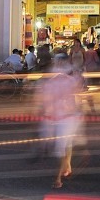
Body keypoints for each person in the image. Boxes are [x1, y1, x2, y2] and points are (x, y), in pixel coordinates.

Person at [36, 53, 83, 189]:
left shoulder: (68, 80)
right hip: (61, 117)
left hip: (67, 118)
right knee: (65, 145)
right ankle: (67, 165)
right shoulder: (55, 81)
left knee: (62, 146)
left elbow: (76, 98)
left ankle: (58, 178)